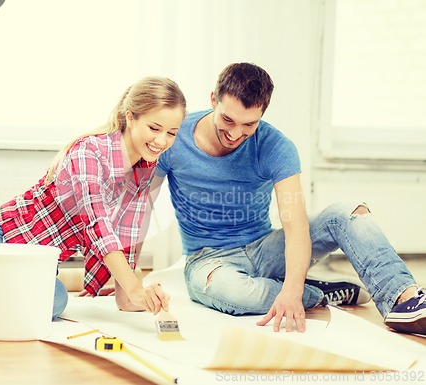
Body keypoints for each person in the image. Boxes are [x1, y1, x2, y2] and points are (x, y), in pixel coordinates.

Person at [151, 62, 425, 335]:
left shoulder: (276, 146)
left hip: (264, 249)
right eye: (228, 120)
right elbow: (140, 204)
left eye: (249, 124)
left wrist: (291, 291)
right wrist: (126, 277)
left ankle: (405, 300)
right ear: (214, 99)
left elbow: (295, 227)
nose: (235, 134)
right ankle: (317, 293)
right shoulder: (174, 137)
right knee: (233, 293)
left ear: (262, 113)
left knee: (350, 213)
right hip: (208, 259)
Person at [0, 76, 186, 325]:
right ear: (131, 117)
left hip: (35, 266)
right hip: (0, 240)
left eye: (172, 133)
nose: (162, 141)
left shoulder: (144, 168)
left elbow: (126, 233)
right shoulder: (89, 152)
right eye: (154, 128)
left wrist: (132, 297)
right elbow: (98, 225)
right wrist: (135, 288)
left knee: (55, 302)